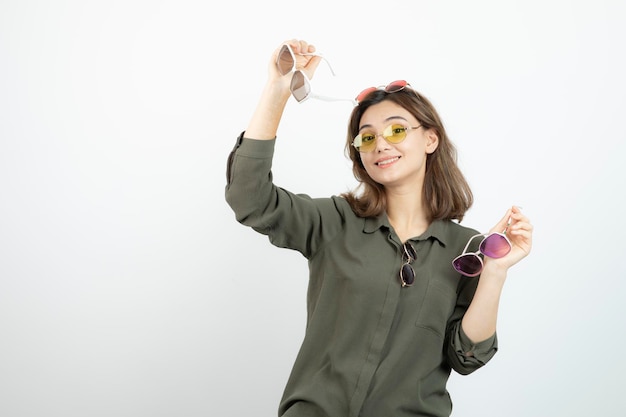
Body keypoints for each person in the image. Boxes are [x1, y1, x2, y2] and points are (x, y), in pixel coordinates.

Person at [225, 39, 533, 417]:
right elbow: (250, 199)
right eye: (367, 137)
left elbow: (467, 356)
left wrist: (495, 270)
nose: (380, 143)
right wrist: (277, 92)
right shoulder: (334, 222)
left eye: (397, 130)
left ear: (430, 139)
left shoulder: (468, 250)